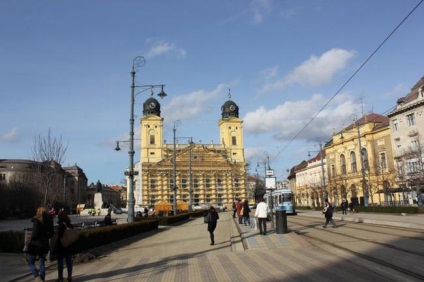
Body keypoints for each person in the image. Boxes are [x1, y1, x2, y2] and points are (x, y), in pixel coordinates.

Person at [27, 206, 54, 282]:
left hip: (36, 245)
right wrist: (46, 237)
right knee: (42, 263)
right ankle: (42, 279)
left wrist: (31, 239)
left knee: (30, 262)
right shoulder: (49, 221)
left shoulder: (37, 221)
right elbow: (52, 233)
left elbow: (34, 234)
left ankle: (37, 277)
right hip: (44, 245)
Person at [55, 211, 74, 282]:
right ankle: (69, 276)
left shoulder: (61, 226)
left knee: (60, 262)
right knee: (69, 261)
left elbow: (59, 236)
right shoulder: (70, 225)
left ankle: (60, 277)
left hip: (61, 246)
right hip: (68, 245)